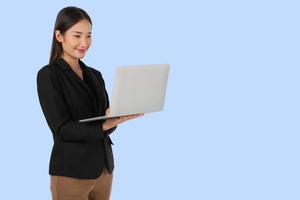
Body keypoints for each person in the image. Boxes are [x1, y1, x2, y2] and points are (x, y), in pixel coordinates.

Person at [37, 6, 143, 200]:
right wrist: (105, 124)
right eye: (77, 35)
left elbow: (105, 124)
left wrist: (116, 117)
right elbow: (62, 129)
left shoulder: (95, 75)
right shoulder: (49, 75)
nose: (84, 43)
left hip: (104, 169)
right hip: (72, 171)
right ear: (59, 36)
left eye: (89, 36)